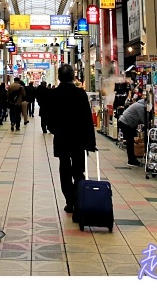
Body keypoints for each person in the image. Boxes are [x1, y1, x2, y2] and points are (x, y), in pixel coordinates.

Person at [45, 64, 97, 213]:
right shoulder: (80, 94)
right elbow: (87, 119)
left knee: (65, 169)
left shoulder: (54, 94)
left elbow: (49, 117)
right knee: (79, 171)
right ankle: (79, 198)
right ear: (73, 76)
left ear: (59, 77)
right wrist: (90, 142)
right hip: (78, 139)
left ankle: (70, 201)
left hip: (62, 139)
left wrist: (54, 130)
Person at [117, 97, 149, 166]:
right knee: (130, 141)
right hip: (126, 123)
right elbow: (143, 119)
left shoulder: (140, 104)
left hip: (127, 123)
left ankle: (132, 159)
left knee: (130, 141)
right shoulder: (140, 107)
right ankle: (131, 160)